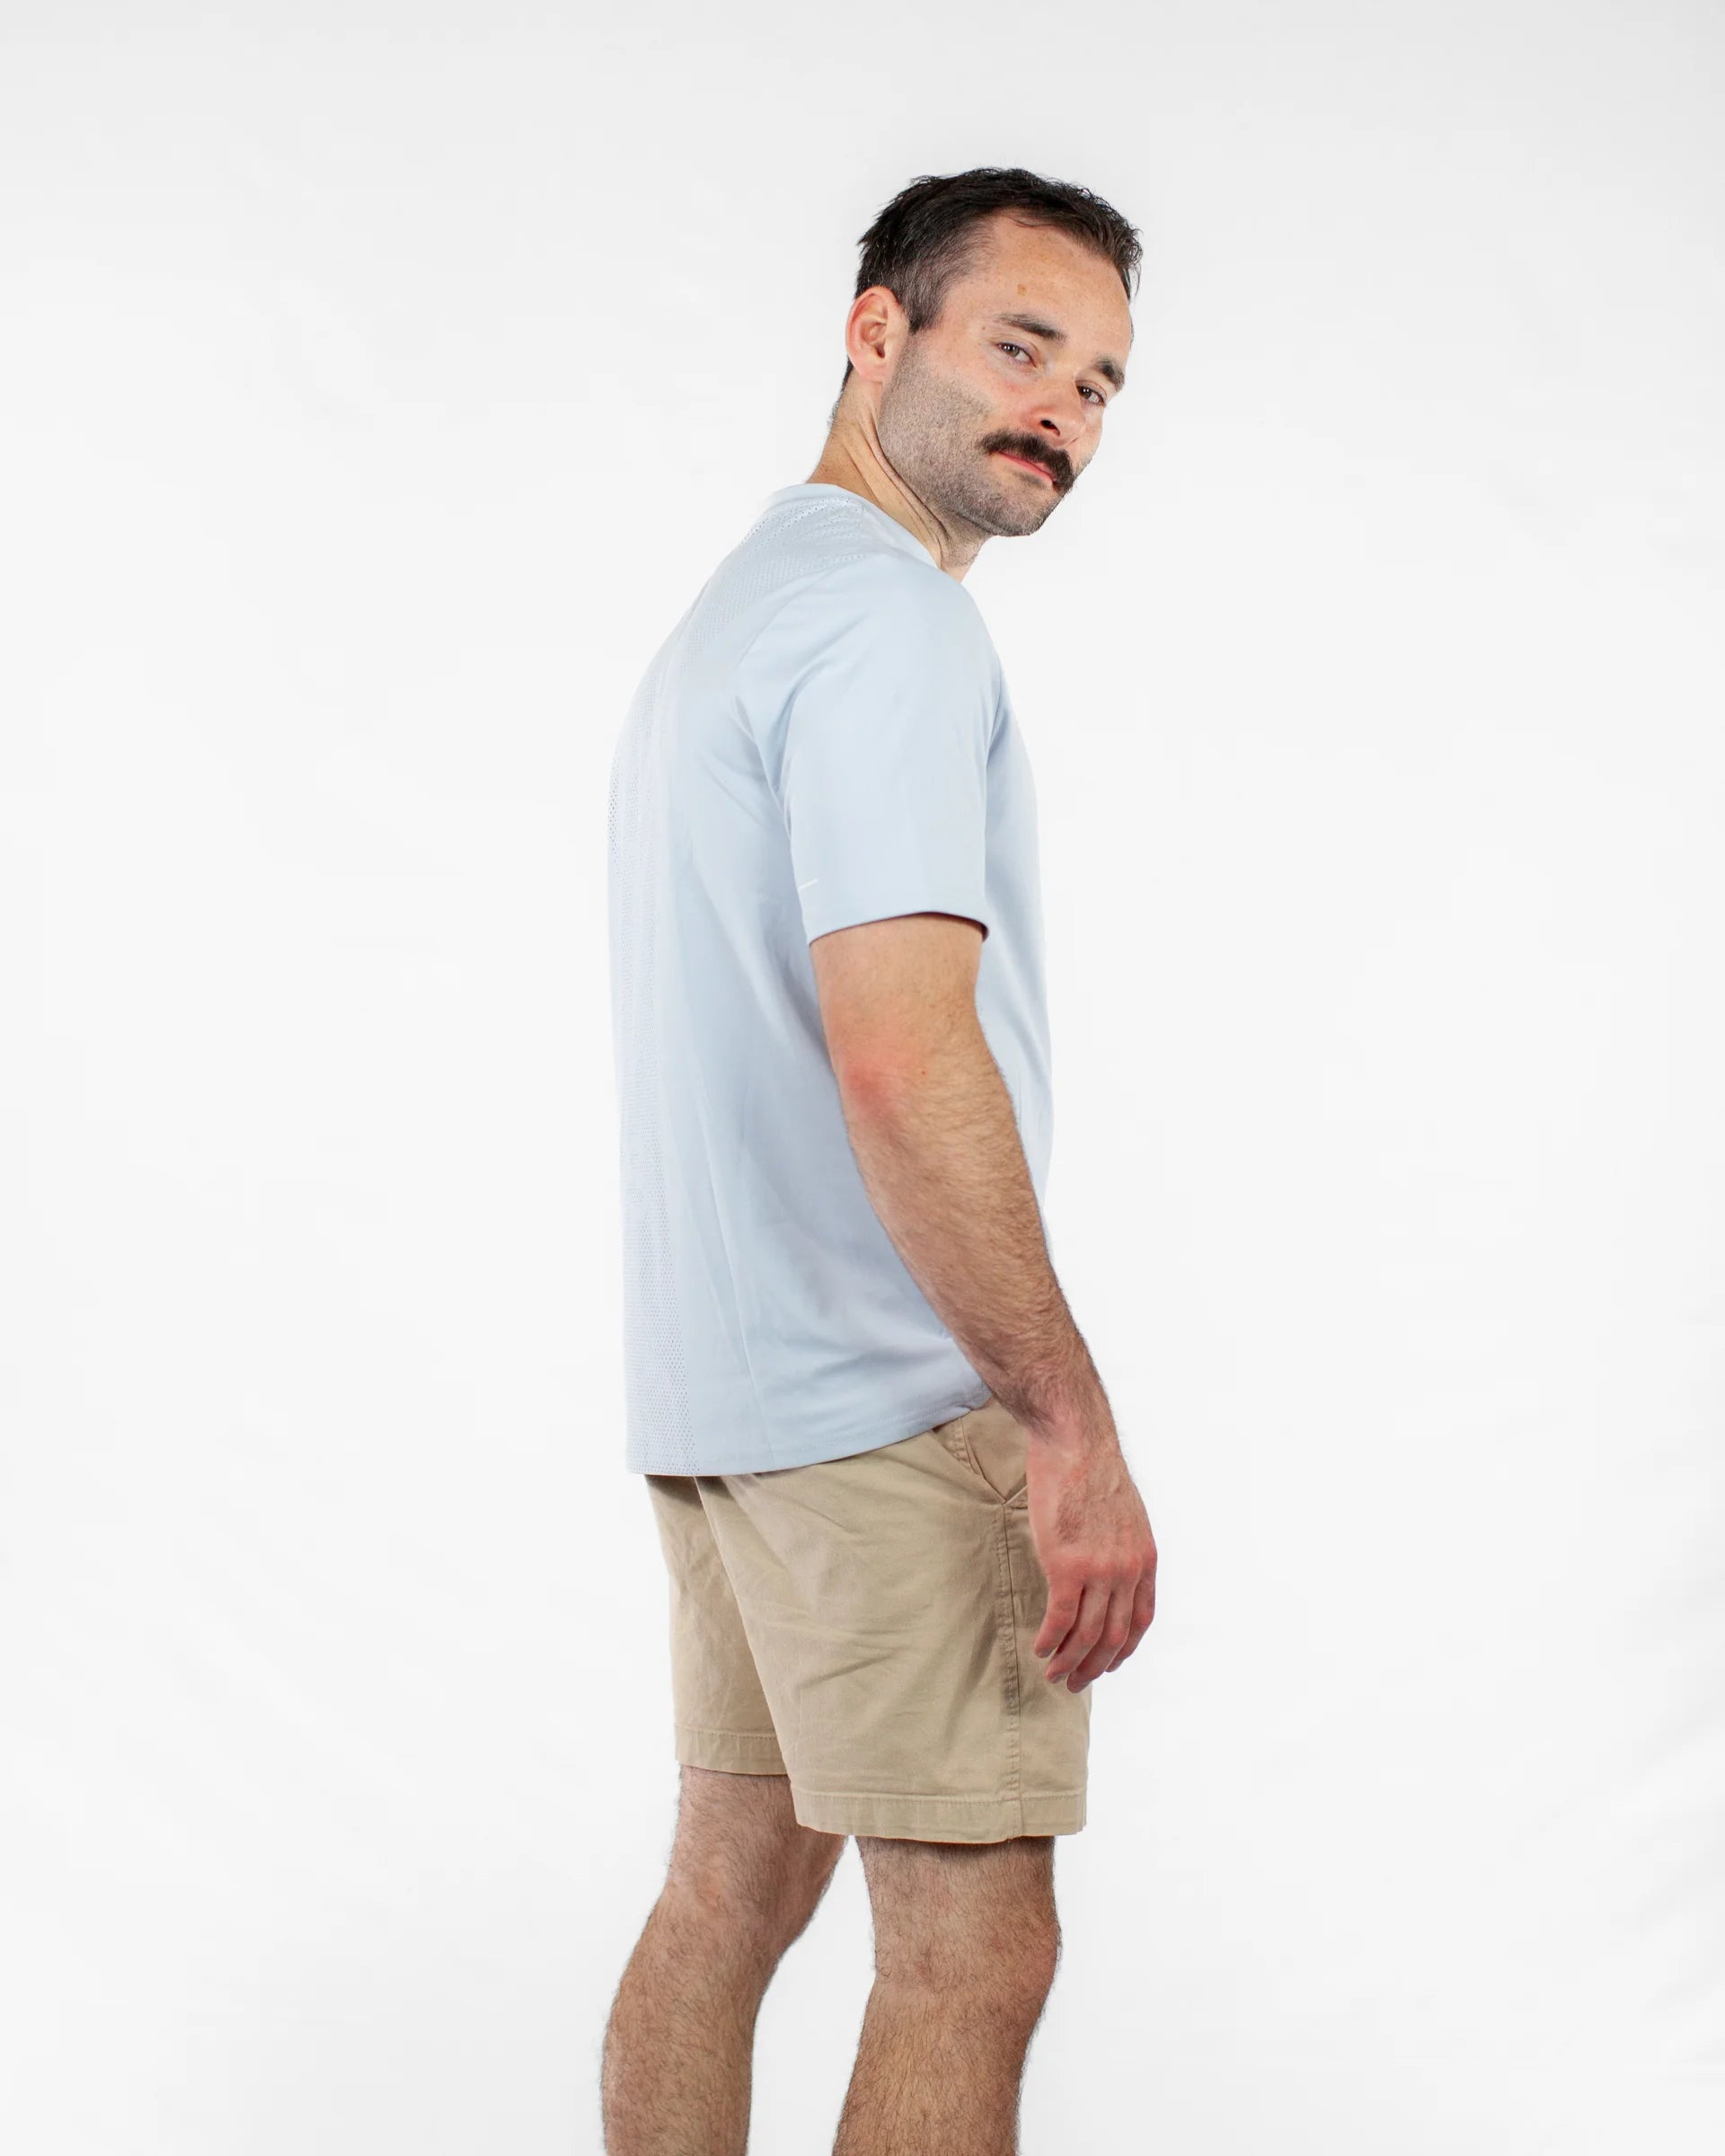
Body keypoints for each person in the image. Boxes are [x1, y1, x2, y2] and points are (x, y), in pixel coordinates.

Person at [601, 164, 1159, 2154]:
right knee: (974, 1954)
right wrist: (1062, 1414)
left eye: (1099, 382)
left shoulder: (738, 616)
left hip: (727, 1402)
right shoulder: (891, 633)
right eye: (1020, 346)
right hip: (885, 1410)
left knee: (725, 1901)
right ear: (875, 332)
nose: (1063, 411)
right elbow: (901, 1056)